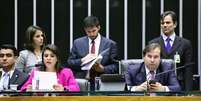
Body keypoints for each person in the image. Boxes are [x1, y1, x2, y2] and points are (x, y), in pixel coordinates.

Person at [67, 16, 119, 90]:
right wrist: (82, 60)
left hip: (102, 82)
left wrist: (103, 69)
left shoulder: (110, 44)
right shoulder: (77, 43)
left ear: (98, 28)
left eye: (94, 31)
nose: (91, 34)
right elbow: (69, 63)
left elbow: (116, 66)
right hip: (82, 83)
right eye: (89, 32)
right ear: (85, 30)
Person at [149, 11, 193, 91]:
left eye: (168, 22)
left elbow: (188, 70)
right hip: (158, 86)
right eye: (162, 23)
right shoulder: (153, 43)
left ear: (175, 24)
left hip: (179, 86)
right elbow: (149, 67)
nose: (165, 25)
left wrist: (188, 92)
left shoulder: (185, 43)